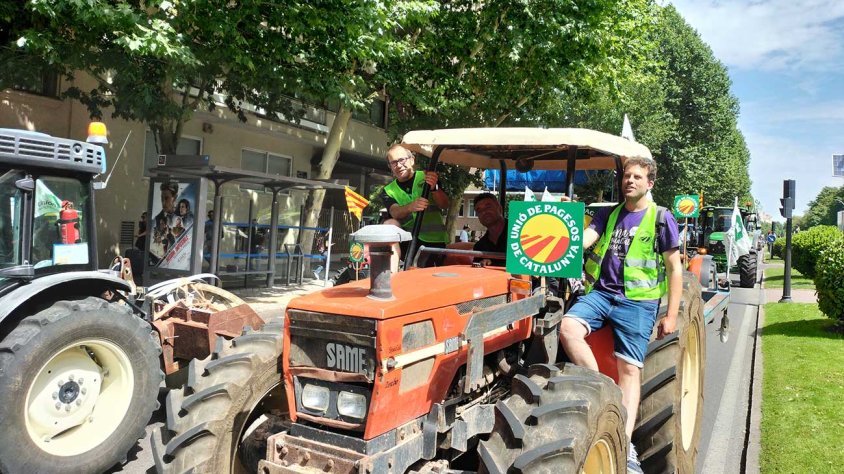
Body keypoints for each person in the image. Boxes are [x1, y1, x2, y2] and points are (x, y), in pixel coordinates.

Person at [558, 156, 681, 474]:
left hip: (638, 303)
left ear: (649, 183)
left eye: (638, 177)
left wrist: (672, 315)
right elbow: (588, 238)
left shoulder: (661, 218)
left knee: (630, 370)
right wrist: (565, 233)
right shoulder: (608, 213)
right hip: (601, 295)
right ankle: (604, 391)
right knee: (568, 327)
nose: (630, 181)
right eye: (626, 176)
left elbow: (674, 268)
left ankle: (624, 445)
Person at [380, 144, 450, 266]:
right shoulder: (387, 190)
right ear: (390, 167)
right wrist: (410, 207)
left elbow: (444, 204)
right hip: (408, 242)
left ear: (412, 159)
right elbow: (394, 212)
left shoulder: (427, 176)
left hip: (434, 241)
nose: (398, 165)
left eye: (402, 160)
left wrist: (435, 189)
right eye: (394, 162)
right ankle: (392, 274)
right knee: (389, 224)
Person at [471, 193, 507, 266]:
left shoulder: (519, 232)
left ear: (500, 208)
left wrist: (494, 263)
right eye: (479, 210)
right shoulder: (479, 247)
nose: (484, 212)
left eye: (488, 207)